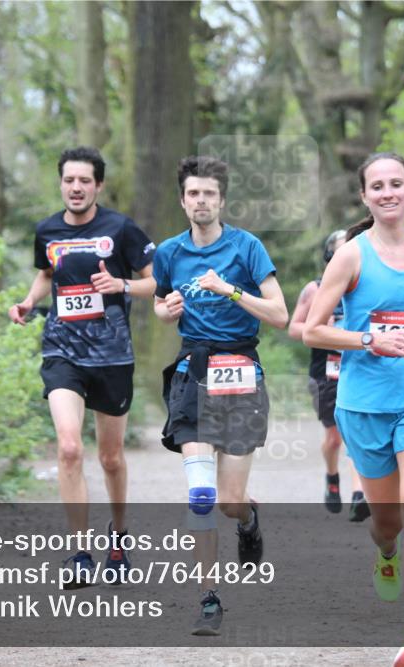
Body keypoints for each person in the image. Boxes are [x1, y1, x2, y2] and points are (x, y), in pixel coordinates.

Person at [302, 152, 404, 666]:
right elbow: (312, 329)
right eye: (377, 186)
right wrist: (369, 339)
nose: (387, 192)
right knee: (388, 523)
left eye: (396, 183)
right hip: (364, 406)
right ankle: (386, 553)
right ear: (365, 196)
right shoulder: (351, 256)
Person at [152, 155, 288, 636]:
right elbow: (161, 301)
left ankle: (248, 519)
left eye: (209, 193)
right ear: (183, 200)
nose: (201, 201)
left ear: (222, 200)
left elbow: (279, 315)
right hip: (193, 371)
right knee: (202, 494)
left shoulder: (247, 247)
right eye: (193, 193)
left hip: (241, 373)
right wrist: (166, 310)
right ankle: (209, 598)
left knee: (229, 500)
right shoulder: (168, 252)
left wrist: (228, 289)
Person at [8, 146, 156, 587]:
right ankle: (78, 552)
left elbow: (156, 281)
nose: (76, 188)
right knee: (70, 448)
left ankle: (119, 536)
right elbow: (47, 274)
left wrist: (122, 284)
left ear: (98, 186)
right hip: (62, 351)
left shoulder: (121, 228)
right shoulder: (47, 230)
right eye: (69, 180)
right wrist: (29, 301)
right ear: (61, 183)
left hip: (112, 356)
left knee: (110, 457)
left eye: (84, 181)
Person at [287, 230, 368, 520]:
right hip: (325, 372)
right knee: (334, 439)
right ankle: (332, 477)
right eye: (340, 250)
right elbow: (294, 328)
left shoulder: (367, 286)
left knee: (354, 433)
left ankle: (359, 494)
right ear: (329, 256)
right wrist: (319, 325)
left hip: (359, 369)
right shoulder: (316, 289)